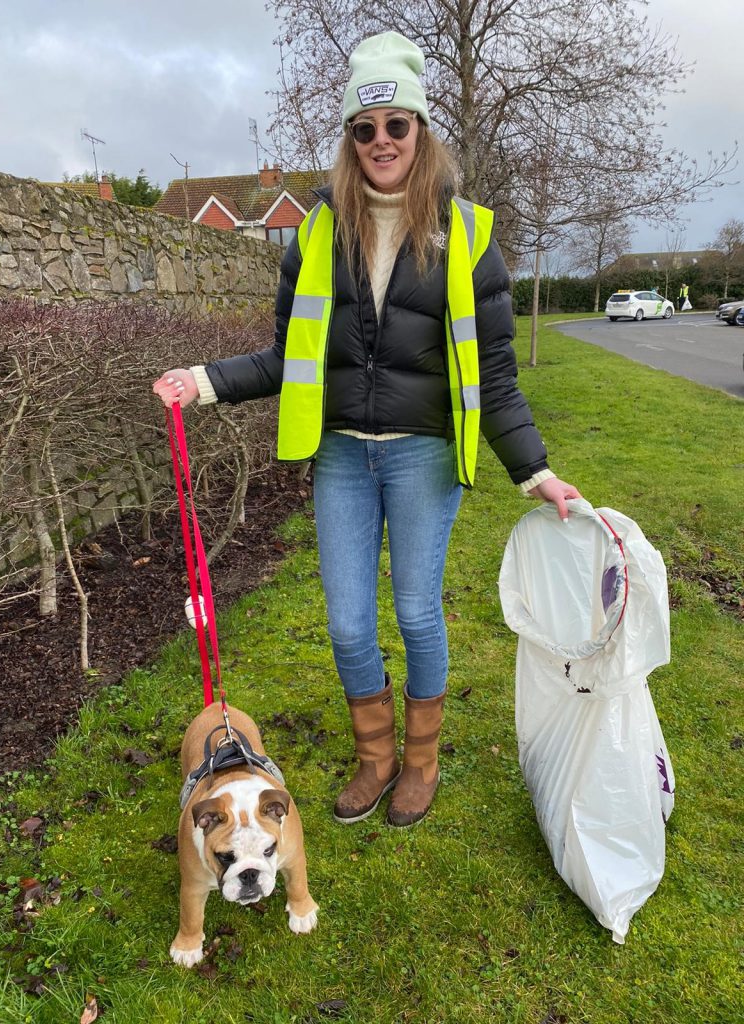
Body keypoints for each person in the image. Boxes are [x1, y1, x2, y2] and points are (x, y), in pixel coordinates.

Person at [153, 31, 582, 829]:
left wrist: (536, 472)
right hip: (343, 457)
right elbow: (288, 356)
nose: (381, 140)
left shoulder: (469, 237)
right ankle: (375, 759)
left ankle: (420, 763)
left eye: (396, 125)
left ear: (420, 131)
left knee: (418, 612)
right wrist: (203, 382)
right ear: (351, 142)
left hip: (421, 455)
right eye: (364, 128)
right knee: (349, 621)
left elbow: (493, 376)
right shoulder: (319, 232)